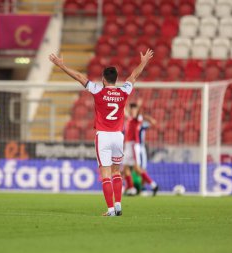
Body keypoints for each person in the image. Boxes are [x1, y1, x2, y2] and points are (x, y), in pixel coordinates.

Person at [49, 48, 154, 216]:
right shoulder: (123, 91)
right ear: (116, 79)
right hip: (119, 136)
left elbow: (80, 77)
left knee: (105, 174)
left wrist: (62, 65)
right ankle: (119, 205)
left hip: (103, 136)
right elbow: (133, 76)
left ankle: (111, 209)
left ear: (104, 79)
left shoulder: (98, 90)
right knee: (116, 171)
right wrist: (144, 61)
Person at [123, 103, 159, 196]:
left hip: (134, 145)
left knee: (137, 168)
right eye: (131, 109)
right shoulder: (130, 119)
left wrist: (139, 108)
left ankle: (153, 185)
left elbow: (140, 115)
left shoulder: (138, 118)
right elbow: (126, 112)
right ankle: (131, 189)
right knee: (125, 167)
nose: (132, 111)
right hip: (128, 145)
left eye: (134, 109)